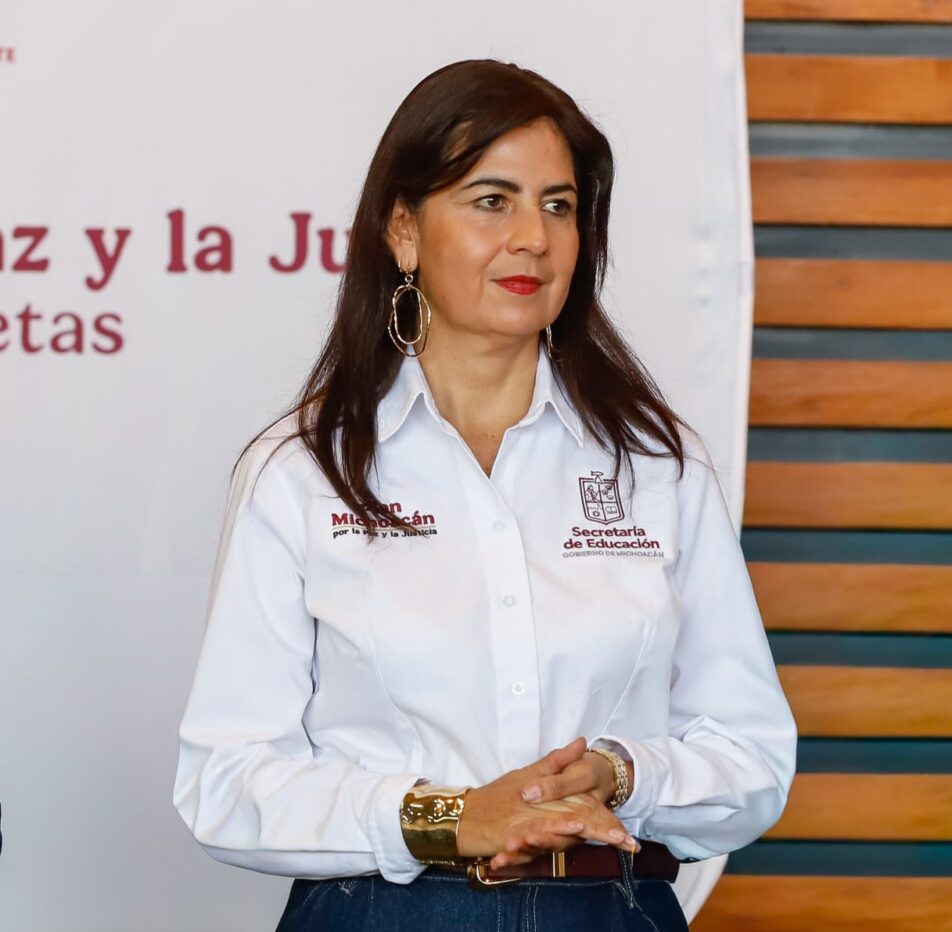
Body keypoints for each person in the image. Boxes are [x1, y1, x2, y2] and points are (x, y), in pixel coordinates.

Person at [172, 58, 797, 931]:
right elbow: (226, 781)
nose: (533, 238)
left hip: (608, 907)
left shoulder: (658, 464)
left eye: (559, 206)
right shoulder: (303, 470)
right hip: (382, 913)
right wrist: (448, 819)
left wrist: (623, 775)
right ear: (403, 230)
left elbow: (753, 759)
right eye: (492, 200)